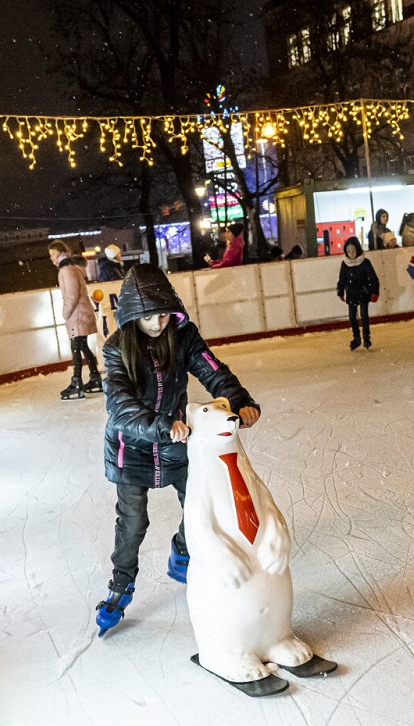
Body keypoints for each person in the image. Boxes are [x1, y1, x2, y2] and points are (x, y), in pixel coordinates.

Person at [95, 263, 261, 634]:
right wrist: (160, 426)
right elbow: (119, 405)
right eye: (148, 316)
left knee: (200, 503)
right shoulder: (116, 349)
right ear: (132, 315)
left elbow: (213, 371)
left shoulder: (183, 335)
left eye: (163, 314)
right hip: (132, 448)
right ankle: (121, 584)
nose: (158, 324)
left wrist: (238, 400)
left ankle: (182, 551)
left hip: (177, 440)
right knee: (133, 521)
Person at [48, 240, 101, 399]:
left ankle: (77, 382)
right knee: (82, 346)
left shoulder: (66, 270)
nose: (51, 258)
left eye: (53, 254)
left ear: (60, 253)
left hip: (77, 314)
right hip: (81, 312)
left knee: (76, 347)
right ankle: (95, 377)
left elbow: (72, 295)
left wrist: (66, 313)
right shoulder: (71, 268)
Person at [336, 236, 380, 350]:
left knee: (364, 315)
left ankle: (366, 337)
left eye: (354, 251)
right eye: (349, 251)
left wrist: (374, 292)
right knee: (352, 316)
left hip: (363, 292)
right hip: (351, 293)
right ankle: (356, 337)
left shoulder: (365, 262)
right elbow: (342, 279)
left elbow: (373, 278)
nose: (351, 254)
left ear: (358, 250)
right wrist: (340, 291)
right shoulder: (345, 264)